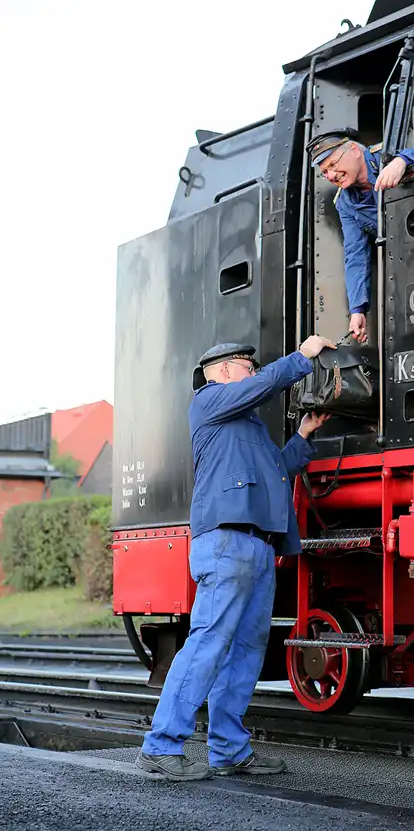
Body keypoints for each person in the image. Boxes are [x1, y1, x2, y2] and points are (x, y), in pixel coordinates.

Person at [136, 335, 334, 781]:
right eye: (249, 365)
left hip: (258, 547)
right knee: (208, 643)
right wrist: (301, 358)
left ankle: (228, 749)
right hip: (227, 543)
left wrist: (303, 436)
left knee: (244, 652)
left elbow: (278, 472)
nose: (254, 373)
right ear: (225, 371)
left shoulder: (249, 428)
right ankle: (161, 745)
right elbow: (261, 386)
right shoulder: (208, 402)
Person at [307, 129, 414, 343]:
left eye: (332, 165)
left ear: (353, 150)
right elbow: (355, 255)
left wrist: (402, 161)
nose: (330, 175)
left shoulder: (386, 155)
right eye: (324, 172)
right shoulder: (345, 203)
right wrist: (357, 308)